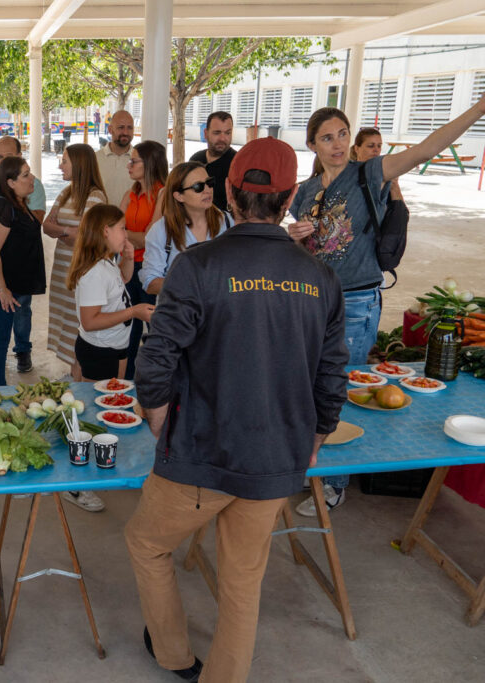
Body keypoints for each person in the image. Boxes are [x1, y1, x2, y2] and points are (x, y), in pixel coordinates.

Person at [126, 137, 348, 683]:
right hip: (275, 457)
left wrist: (161, 421)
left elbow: (155, 360)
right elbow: (332, 376)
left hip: (201, 451)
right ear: (290, 197)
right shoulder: (320, 277)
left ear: (229, 190)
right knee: (243, 582)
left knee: (146, 543)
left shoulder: (198, 266)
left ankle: (174, 654)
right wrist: (314, 437)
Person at [288, 94, 485, 516]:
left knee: (343, 388)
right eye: (327, 138)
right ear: (312, 145)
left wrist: (479, 109)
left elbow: (426, 150)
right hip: (315, 302)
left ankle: (335, 484)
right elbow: (309, 252)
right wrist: (296, 238)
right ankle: (314, 464)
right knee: (309, 386)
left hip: (357, 301)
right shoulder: (304, 192)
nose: (338, 144)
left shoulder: (368, 173)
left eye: (343, 134)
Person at [0, 135, 46, 373]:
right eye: (26, 175)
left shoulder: (18, 201)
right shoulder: (2, 206)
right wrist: (2, 289)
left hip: (6, 281)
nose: (32, 178)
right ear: (11, 182)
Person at [67, 204, 154, 381]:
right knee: (101, 397)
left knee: (114, 393)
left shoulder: (105, 262)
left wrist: (128, 258)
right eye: (122, 228)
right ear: (106, 231)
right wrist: (133, 312)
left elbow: (123, 278)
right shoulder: (94, 273)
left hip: (114, 345)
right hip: (100, 350)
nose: (126, 234)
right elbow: (89, 321)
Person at [44, 143, 108, 381]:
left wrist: (63, 232)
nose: (60, 166)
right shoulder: (66, 192)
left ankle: (79, 379)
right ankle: (74, 374)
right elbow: (46, 226)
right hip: (63, 272)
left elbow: (85, 236)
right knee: (68, 324)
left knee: (80, 325)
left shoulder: (96, 197)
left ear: (79, 165)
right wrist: (66, 231)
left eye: (64, 161)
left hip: (82, 273)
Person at [140, 162, 232, 299]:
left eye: (209, 183)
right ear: (179, 196)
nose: (207, 190)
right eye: (198, 187)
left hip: (221, 309)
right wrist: (192, 287)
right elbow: (150, 282)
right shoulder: (161, 230)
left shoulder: (229, 222)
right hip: (180, 310)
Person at [119, 140, 168, 381]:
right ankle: (126, 382)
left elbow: (150, 238)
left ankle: (158, 383)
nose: (129, 165)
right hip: (127, 266)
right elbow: (112, 230)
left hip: (151, 270)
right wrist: (131, 237)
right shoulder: (130, 193)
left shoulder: (163, 193)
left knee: (155, 329)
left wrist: (123, 234)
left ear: (149, 164)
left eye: (134, 161)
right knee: (128, 328)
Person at [189, 112, 236, 212]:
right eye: (217, 133)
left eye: (228, 133)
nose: (222, 138)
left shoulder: (238, 163)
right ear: (206, 133)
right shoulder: (195, 159)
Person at [351, 127, 404, 202]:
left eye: (379, 146)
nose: (376, 150)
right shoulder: (348, 173)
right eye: (371, 146)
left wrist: (394, 186)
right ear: (357, 149)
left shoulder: (384, 173)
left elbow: (400, 209)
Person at [95, 110, 136, 206]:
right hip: (101, 215)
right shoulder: (94, 159)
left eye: (129, 128)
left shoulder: (142, 161)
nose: (125, 132)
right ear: (110, 129)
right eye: (121, 127)